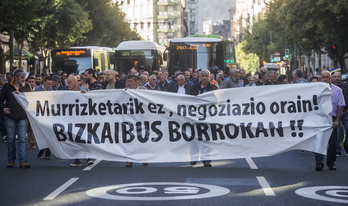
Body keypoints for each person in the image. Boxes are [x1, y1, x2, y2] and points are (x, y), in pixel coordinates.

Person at [0, 69, 32, 168]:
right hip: (10, 116)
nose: (24, 79)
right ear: (16, 77)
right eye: (22, 77)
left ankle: (22, 161)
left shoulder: (27, 86)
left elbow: (31, 99)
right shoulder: (7, 87)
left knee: (22, 139)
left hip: (22, 116)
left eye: (24, 77)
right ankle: (11, 159)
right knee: (10, 139)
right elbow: (0, 100)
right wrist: (3, 109)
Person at [314, 71, 345, 171]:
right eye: (323, 77)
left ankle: (331, 163)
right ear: (320, 79)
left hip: (332, 118)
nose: (325, 79)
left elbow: (340, 107)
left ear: (330, 78)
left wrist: (337, 121)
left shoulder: (338, 90)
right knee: (319, 141)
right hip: (319, 118)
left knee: (332, 142)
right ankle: (319, 163)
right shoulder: (314, 90)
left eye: (327, 77)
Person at [190, 69, 218, 167]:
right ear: (199, 77)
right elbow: (188, 100)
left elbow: (215, 101)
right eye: (202, 76)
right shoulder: (193, 88)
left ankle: (206, 159)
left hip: (208, 117)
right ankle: (194, 157)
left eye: (206, 76)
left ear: (209, 77)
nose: (204, 77)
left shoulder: (213, 88)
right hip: (194, 116)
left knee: (206, 138)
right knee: (194, 137)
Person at [66, 76, 94, 167]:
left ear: (75, 82)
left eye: (70, 83)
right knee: (75, 138)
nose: (68, 85)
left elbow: (92, 100)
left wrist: (85, 94)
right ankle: (78, 159)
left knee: (85, 137)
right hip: (73, 118)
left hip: (84, 118)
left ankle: (89, 157)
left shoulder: (84, 90)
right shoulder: (65, 92)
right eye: (67, 83)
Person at [124, 75, 148, 167]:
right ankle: (129, 159)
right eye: (128, 81)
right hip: (129, 118)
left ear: (136, 81)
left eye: (131, 81)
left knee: (143, 138)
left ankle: (144, 158)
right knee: (129, 139)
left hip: (141, 118)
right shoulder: (124, 91)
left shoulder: (143, 90)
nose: (129, 83)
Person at [35, 76, 54, 159]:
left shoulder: (53, 91)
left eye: (50, 84)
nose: (49, 86)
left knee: (49, 133)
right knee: (41, 134)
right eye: (48, 84)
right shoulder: (37, 90)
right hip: (40, 115)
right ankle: (43, 149)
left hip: (49, 115)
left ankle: (48, 152)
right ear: (44, 82)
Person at [331, 72, 348, 156]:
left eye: (338, 76)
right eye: (335, 77)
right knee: (336, 134)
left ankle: (346, 146)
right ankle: (337, 150)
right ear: (332, 78)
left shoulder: (346, 87)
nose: (337, 78)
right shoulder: (330, 88)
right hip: (335, 113)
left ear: (341, 77)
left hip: (345, 112)